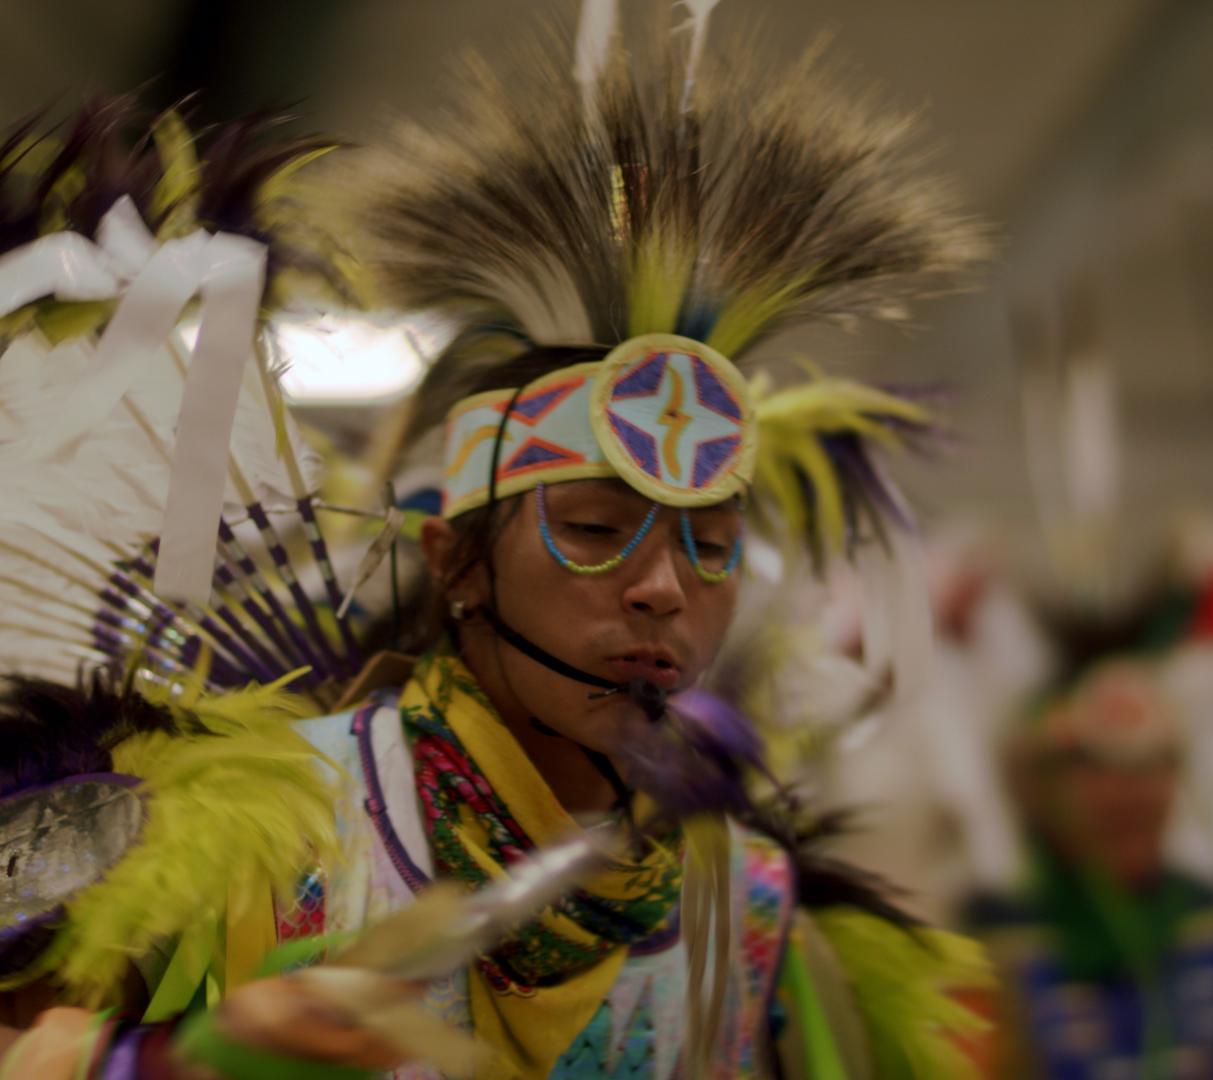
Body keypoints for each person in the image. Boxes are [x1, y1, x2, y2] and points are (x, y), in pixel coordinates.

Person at [0, 9, 994, 1077]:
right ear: (456, 562)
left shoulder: (744, 914)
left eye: (710, 546)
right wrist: (188, 1061)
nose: (663, 588)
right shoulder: (256, 831)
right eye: (594, 530)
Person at [963, 643, 1213, 1078]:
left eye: (1153, 764)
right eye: (1093, 766)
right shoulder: (992, 944)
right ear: (1034, 788)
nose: (1129, 793)